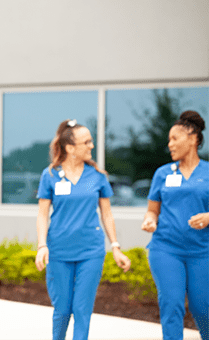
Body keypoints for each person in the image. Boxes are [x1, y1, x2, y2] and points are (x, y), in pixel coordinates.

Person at [35, 119, 130, 340]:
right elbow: (42, 214)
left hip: (91, 251)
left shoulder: (98, 176)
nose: (92, 146)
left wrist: (115, 246)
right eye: (86, 142)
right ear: (70, 148)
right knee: (62, 310)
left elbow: (107, 214)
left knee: (82, 309)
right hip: (59, 251)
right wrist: (42, 245)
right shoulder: (49, 175)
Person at [141, 110, 208, 340]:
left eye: (174, 138)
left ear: (193, 138)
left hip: (202, 252)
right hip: (166, 249)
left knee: (202, 309)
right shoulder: (162, 174)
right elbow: (152, 210)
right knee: (171, 305)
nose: (169, 144)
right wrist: (150, 220)